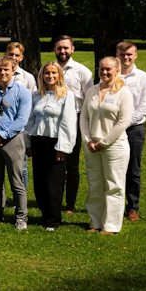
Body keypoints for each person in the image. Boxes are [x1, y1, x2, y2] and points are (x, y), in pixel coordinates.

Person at [81, 57, 133, 235]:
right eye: (101, 69)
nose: (104, 72)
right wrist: (88, 140)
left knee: (114, 185)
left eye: (108, 70)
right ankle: (95, 222)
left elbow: (123, 122)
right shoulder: (92, 91)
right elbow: (84, 118)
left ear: (117, 71)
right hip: (91, 146)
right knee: (95, 185)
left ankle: (111, 226)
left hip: (114, 146)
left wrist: (104, 142)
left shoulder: (123, 93)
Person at [0, 57, 32, 230]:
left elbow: (22, 119)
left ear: (13, 70)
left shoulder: (22, 91)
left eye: (6, 69)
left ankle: (21, 217)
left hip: (12, 140)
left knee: (16, 181)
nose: (2, 72)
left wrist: (2, 136)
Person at [24, 62, 77, 231]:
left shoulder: (67, 95)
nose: (50, 76)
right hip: (38, 141)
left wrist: (63, 148)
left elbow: (68, 123)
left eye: (54, 73)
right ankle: (44, 214)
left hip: (55, 142)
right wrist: (28, 143)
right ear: (42, 75)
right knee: (39, 181)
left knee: (54, 182)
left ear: (59, 75)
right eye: (47, 73)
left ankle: (53, 219)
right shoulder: (36, 95)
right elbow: (30, 120)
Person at [53, 36, 91, 216]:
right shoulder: (49, 69)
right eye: (59, 48)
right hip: (53, 121)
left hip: (75, 120)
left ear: (73, 49)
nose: (63, 52)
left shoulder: (82, 71)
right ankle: (54, 199)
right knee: (55, 162)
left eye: (66, 48)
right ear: (54, 49)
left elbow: (89, 99)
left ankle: (70, 204)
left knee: (72, 164)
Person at [117, 41, 146, 222]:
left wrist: (122, 124)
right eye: (122, 54)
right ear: (117, 55)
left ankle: (132, 207)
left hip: (134, 130)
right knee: (114, 169)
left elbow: (143, 109)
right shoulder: (110, 76)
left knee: (133, 169)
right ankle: (114, 206)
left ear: (135, 55)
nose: (126, 58)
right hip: (113, 131)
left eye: (129, 54)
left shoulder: (144, 78)